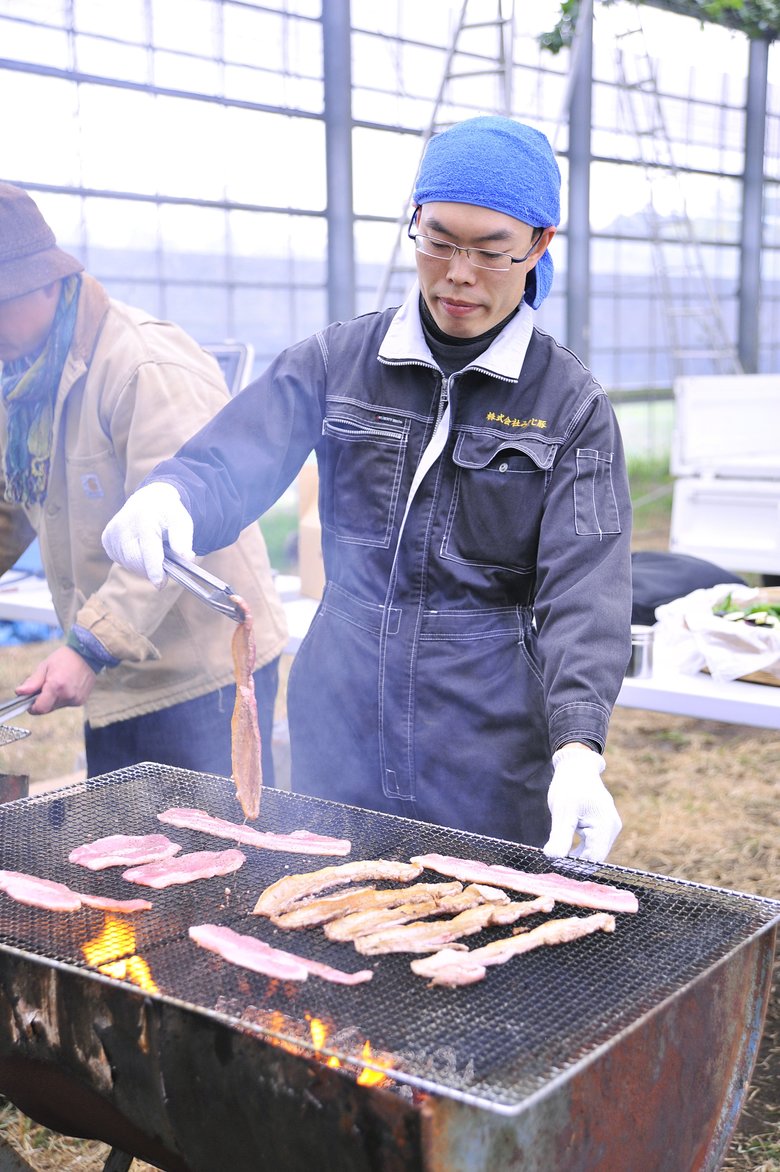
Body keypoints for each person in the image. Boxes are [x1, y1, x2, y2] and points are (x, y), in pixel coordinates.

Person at [102, 116, 633, 861]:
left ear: (540, 245)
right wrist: (174, 495)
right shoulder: (339, 360)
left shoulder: (570, 405)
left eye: (490, 252)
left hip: (481, 738)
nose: (458, 275)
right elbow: (236, 454)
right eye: (439, 240)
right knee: (320, 922)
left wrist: (579, 746)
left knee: (474, 936)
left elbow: (586, 588)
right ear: (414, 223)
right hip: (337, 717)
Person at [0, 182, 287, 781]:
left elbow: (174, 531)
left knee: (207, 858)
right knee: (125, 854)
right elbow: (10, 504)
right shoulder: (25, 382)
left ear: (47, 282)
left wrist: (88, 648)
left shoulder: (142, 366)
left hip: (202, 675)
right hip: (123, 669)